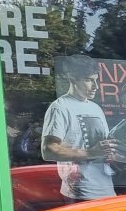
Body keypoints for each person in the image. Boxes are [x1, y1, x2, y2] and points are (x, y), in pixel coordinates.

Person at [41, 55, 119, 202]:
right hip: (81, 193)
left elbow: (104, 149)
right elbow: (48, 150)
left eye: (96, 80)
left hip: (107, 189)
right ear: (72, 78)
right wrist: (90, 152)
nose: (96, 86)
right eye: (89, 80)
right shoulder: (60, 107)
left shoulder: (96, 108)